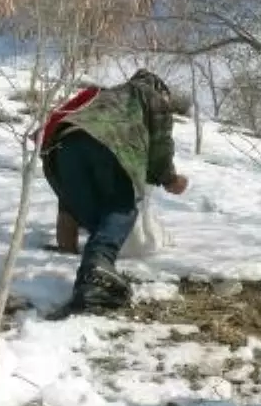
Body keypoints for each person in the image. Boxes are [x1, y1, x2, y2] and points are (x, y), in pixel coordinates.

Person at [37, 70, 189, 311]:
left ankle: (88, 272)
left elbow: (67, 208)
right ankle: (98, 267)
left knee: (96, 217)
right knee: (122, 207)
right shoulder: (151, 95)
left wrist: (66, 250)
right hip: (109, 143)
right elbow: (160, 147)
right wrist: (170, 179)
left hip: (62, 147)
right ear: (160, 89)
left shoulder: (103, 96)